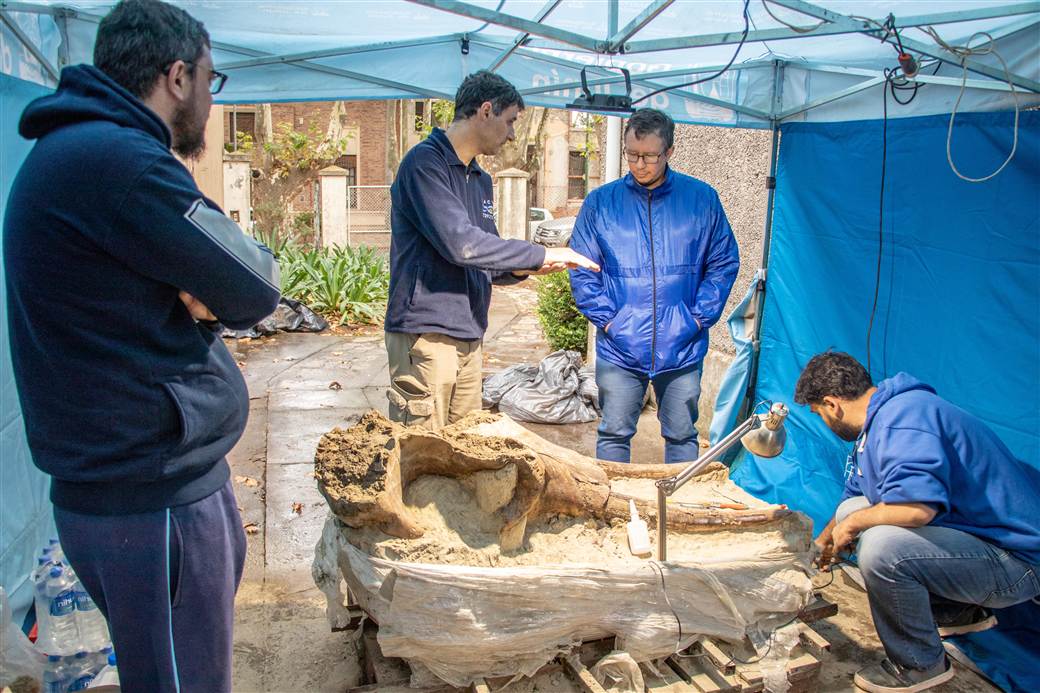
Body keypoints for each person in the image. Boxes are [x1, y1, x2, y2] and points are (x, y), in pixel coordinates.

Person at [3, 1, 280, 690]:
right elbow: (255, 283)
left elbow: (154, 302)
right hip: (151, 503)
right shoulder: (120, 163)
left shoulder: (73, 153)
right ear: (178, 76)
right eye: (214, 83)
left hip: (130, 490)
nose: (213, 104)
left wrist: (197, 303)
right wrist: (207, 298)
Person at [794, 351, 1040, 693]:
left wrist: (853, 527)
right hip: (977, 542)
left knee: (882, 548)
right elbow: (853, 501)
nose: (825, 422)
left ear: (832, 404)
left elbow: (917, 510)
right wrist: (824, 543)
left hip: (1018, 563)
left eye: (819, 414)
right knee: (852, 510)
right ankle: (954, 611)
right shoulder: (878, 425)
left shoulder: (904, 420)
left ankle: (920, 664)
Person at [384, 70, 599, 430]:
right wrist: (541, 253)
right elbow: (462, 245)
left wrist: (527, 268)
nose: (513, 132)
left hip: (469, 335)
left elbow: (486, 259)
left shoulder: (480, 179)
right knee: (420, 453)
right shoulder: (424, 164)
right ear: (486, 110)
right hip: (427, 335)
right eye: (510, 120)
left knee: (463, 454)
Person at [569, 108, 739, 463]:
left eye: (648, 156)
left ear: (670, 152)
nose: (638, 164)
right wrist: (612, 321)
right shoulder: (600, 203)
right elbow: (581, 270)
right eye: (631, 155)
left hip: (682, 347)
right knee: (613, 434)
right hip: (620, 347)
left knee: (682, 436)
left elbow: (722, 263)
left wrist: (695, 318)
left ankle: (680, 512)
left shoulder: (701, 199)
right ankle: (611, 513)